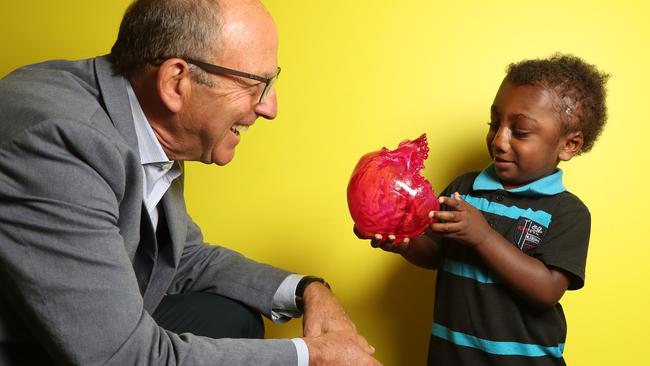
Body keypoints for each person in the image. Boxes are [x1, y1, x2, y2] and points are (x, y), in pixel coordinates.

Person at [0, 0, 381, 365]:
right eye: (255, 84)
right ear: (175, 82)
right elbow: (124, 359)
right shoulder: (60, 143)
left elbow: (181, 256)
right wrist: (312, 356)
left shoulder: (144, 122)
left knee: (231, 319)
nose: (270, 107)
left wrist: (308, 291)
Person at [363, 54, 608, 365]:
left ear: (569, 145)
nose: (499, 140)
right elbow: (438, 255)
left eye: (519, 131)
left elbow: (547, 290)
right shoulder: (463, 190)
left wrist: (483, 237)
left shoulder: (567, 213)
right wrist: (404, 242)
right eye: (495, 124)